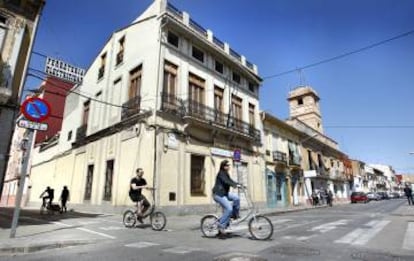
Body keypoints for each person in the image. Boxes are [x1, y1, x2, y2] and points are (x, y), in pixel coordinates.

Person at [212, 160, 243, 237]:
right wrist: (234, 185)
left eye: (229, 165)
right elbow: (226, 181)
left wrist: (238, 184)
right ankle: (221, 226)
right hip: (218, 194)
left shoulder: (226, 173)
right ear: (223, 166)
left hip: (224, 193)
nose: (228, 167)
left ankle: (234, 215)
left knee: (236, 198)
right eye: (227, 165)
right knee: (229, 208)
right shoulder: (221, 173)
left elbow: (230, 180)